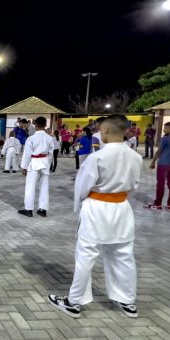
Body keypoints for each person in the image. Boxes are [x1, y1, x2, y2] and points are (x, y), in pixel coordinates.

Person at [47, 114, 142, 319]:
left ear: (106, 131)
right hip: (122, 207)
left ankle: (74, 301)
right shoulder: (135, 157)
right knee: (124, 254)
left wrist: (80, 206)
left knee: (86, 255)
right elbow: (134, 185)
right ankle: (127, 300)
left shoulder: (98, 157)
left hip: (98, 206)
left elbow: (82, 186)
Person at [18, 117, 53, 217]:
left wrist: (24, 167)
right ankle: (43, 209)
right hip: (45, 162)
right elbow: (51, 154)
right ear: (45, 125)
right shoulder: (50, 138)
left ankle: (28, 209)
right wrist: (47, 164)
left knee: (30, 186)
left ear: (36, 124)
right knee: (44, 186)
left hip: (34, 162)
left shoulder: (31, 138)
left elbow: (27, 154)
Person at [145, 121, 170, 211]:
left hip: (164, 163)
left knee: (160, 184)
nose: (164, 129)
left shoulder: (165, 139)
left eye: (165, 128)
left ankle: (158, 204)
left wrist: (153, 162)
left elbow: (159, 151)